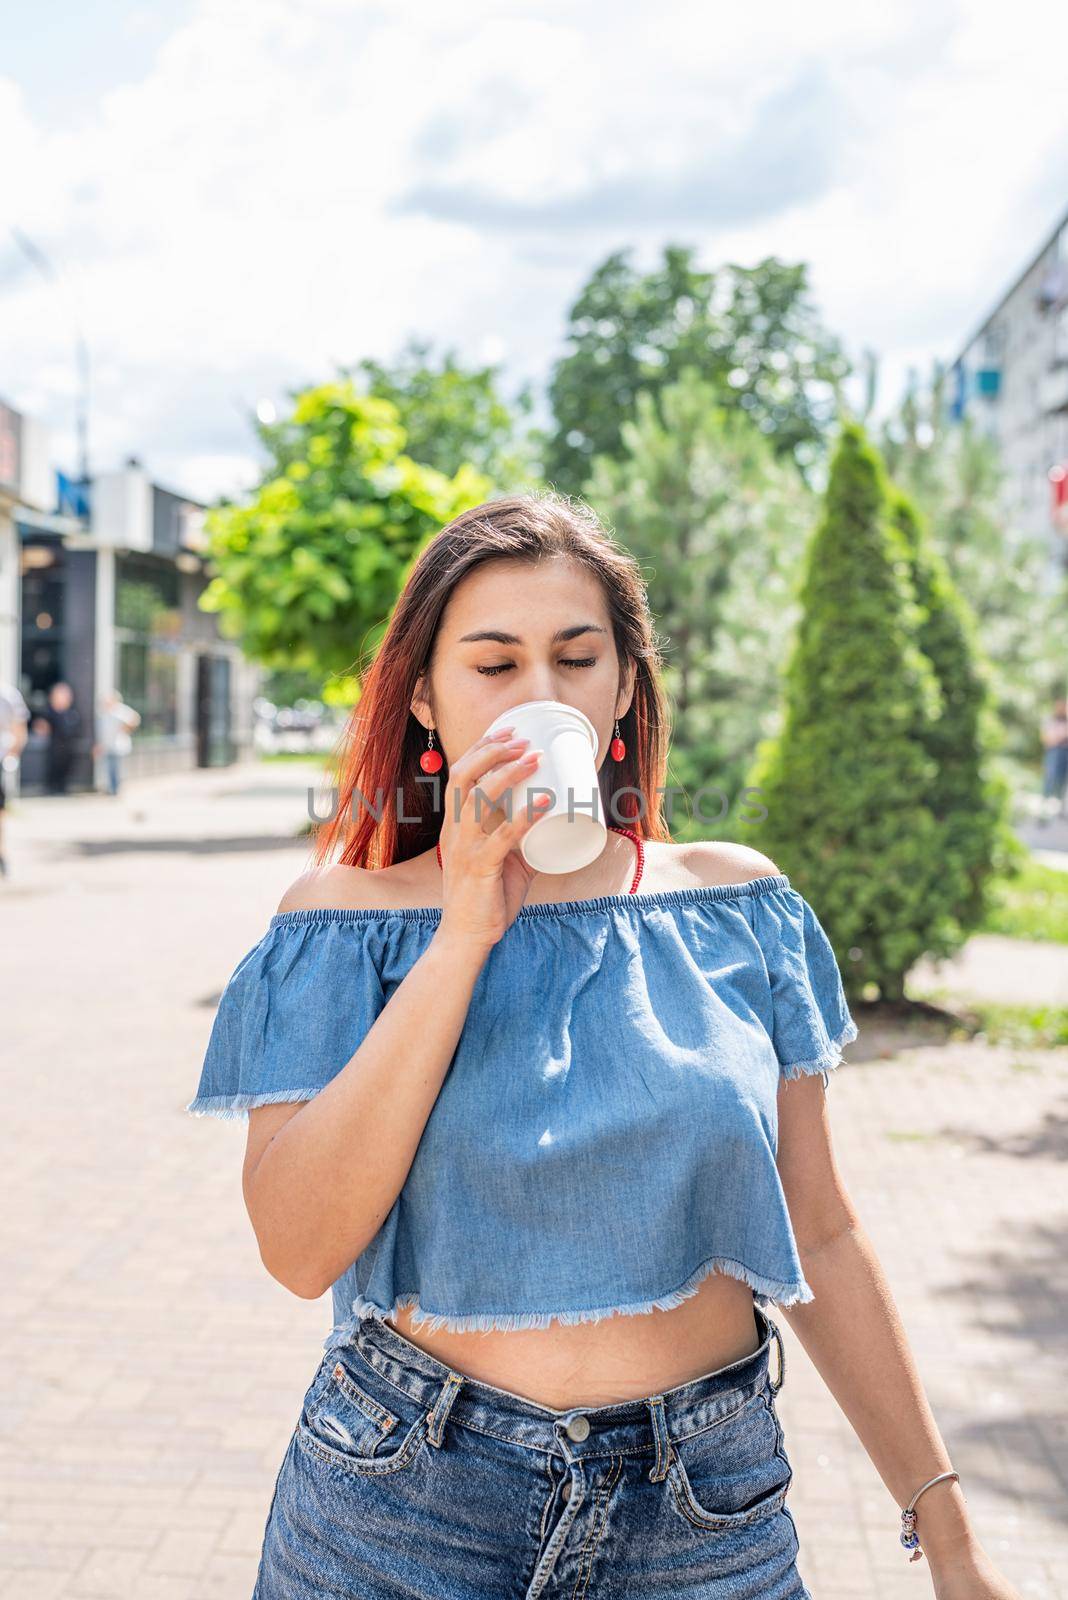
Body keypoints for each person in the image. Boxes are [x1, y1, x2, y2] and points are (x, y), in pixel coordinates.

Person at [187, 492, 1020, 1599]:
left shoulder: (737, 906)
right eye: (494, 664)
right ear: (426, 699)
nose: (541, 693)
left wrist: (952, 1539)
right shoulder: (341, 923)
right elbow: (298, 1248)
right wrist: (467, 929)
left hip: (700, 1508)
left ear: (622, 688)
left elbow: (819, 1231)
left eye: (576, 658)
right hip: (401, 1506)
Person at [0, 680, 30, 878]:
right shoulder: (8, 693)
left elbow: (20, 732)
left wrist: (11, 755)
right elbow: (20, 732)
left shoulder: (7, 694)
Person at [33, 681, 82, 795]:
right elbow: (40, 727)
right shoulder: (48, 711)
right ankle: (51, 787)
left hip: (68, 746)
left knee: (66, 767)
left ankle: (62, 787)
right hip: (54, 746)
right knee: (53, 766)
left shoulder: (72, 713)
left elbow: (77, 729)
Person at [94, 689, 141, 796]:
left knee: (116, 768)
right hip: (107, 746)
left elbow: (135, 719)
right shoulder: (103, 713)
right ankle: (110, 788)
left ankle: (115, 789)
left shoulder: (121, 711)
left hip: (118, 746)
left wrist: (125, 729)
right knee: (107, 768)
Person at [1039, 695, 1068, 820]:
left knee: (1063, 781)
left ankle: (1060, 808)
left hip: (1065, 751)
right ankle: (1044, 807)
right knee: (1049, 778)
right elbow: (1045, 738)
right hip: (1053, 751)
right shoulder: (1050, 720)